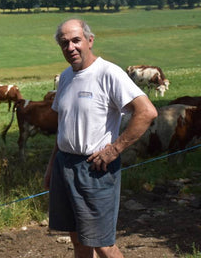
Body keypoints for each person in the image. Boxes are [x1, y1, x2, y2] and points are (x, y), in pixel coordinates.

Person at [43, 18, 158, 258]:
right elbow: (64, 126)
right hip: (64, 165)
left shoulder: (108, 73)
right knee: (77, 240)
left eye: (76, 40)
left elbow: (147, 112)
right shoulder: (65, 77)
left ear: (89, 40)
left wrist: (114, 149)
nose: (71, 47)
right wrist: (52, 164)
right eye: (64, 43)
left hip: (95, 167)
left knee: (102, 243)